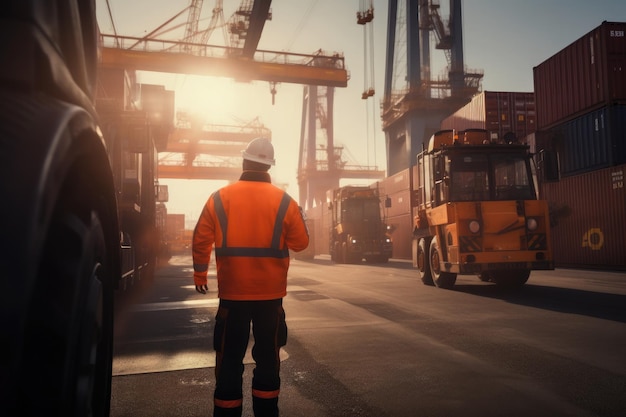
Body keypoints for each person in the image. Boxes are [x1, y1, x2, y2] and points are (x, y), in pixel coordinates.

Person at [192, 137, 310, 417]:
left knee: (229, 358)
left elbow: (201, 237)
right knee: (269, 358)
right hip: (270, 297)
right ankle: (266, 412)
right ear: (269, 167)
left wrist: (200, 273)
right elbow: (301, 243)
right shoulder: (285, 201)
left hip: (233, 296)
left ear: (244, 161)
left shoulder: (219, 197)